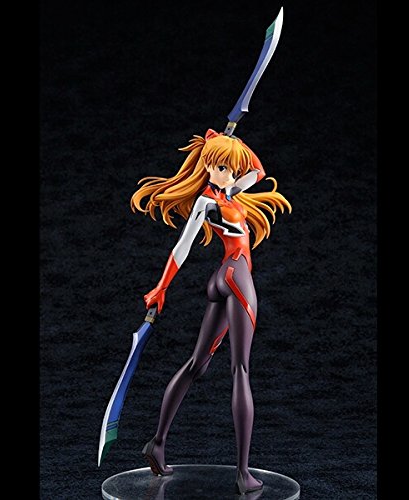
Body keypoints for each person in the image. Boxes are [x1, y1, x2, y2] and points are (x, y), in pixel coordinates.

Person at [130, 128, 291, 494]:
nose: (229, 174)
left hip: (221, 278)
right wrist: (161, 287)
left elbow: (257, 171)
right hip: (237, 276)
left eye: (231, 169)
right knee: (240, 369)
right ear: (207, 166)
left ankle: (157, 443)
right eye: (221, 167)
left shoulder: (228, 192)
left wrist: (233, 143)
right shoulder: (208, 201)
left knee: (197, 364)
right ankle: (243, 474)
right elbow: (182, 247)